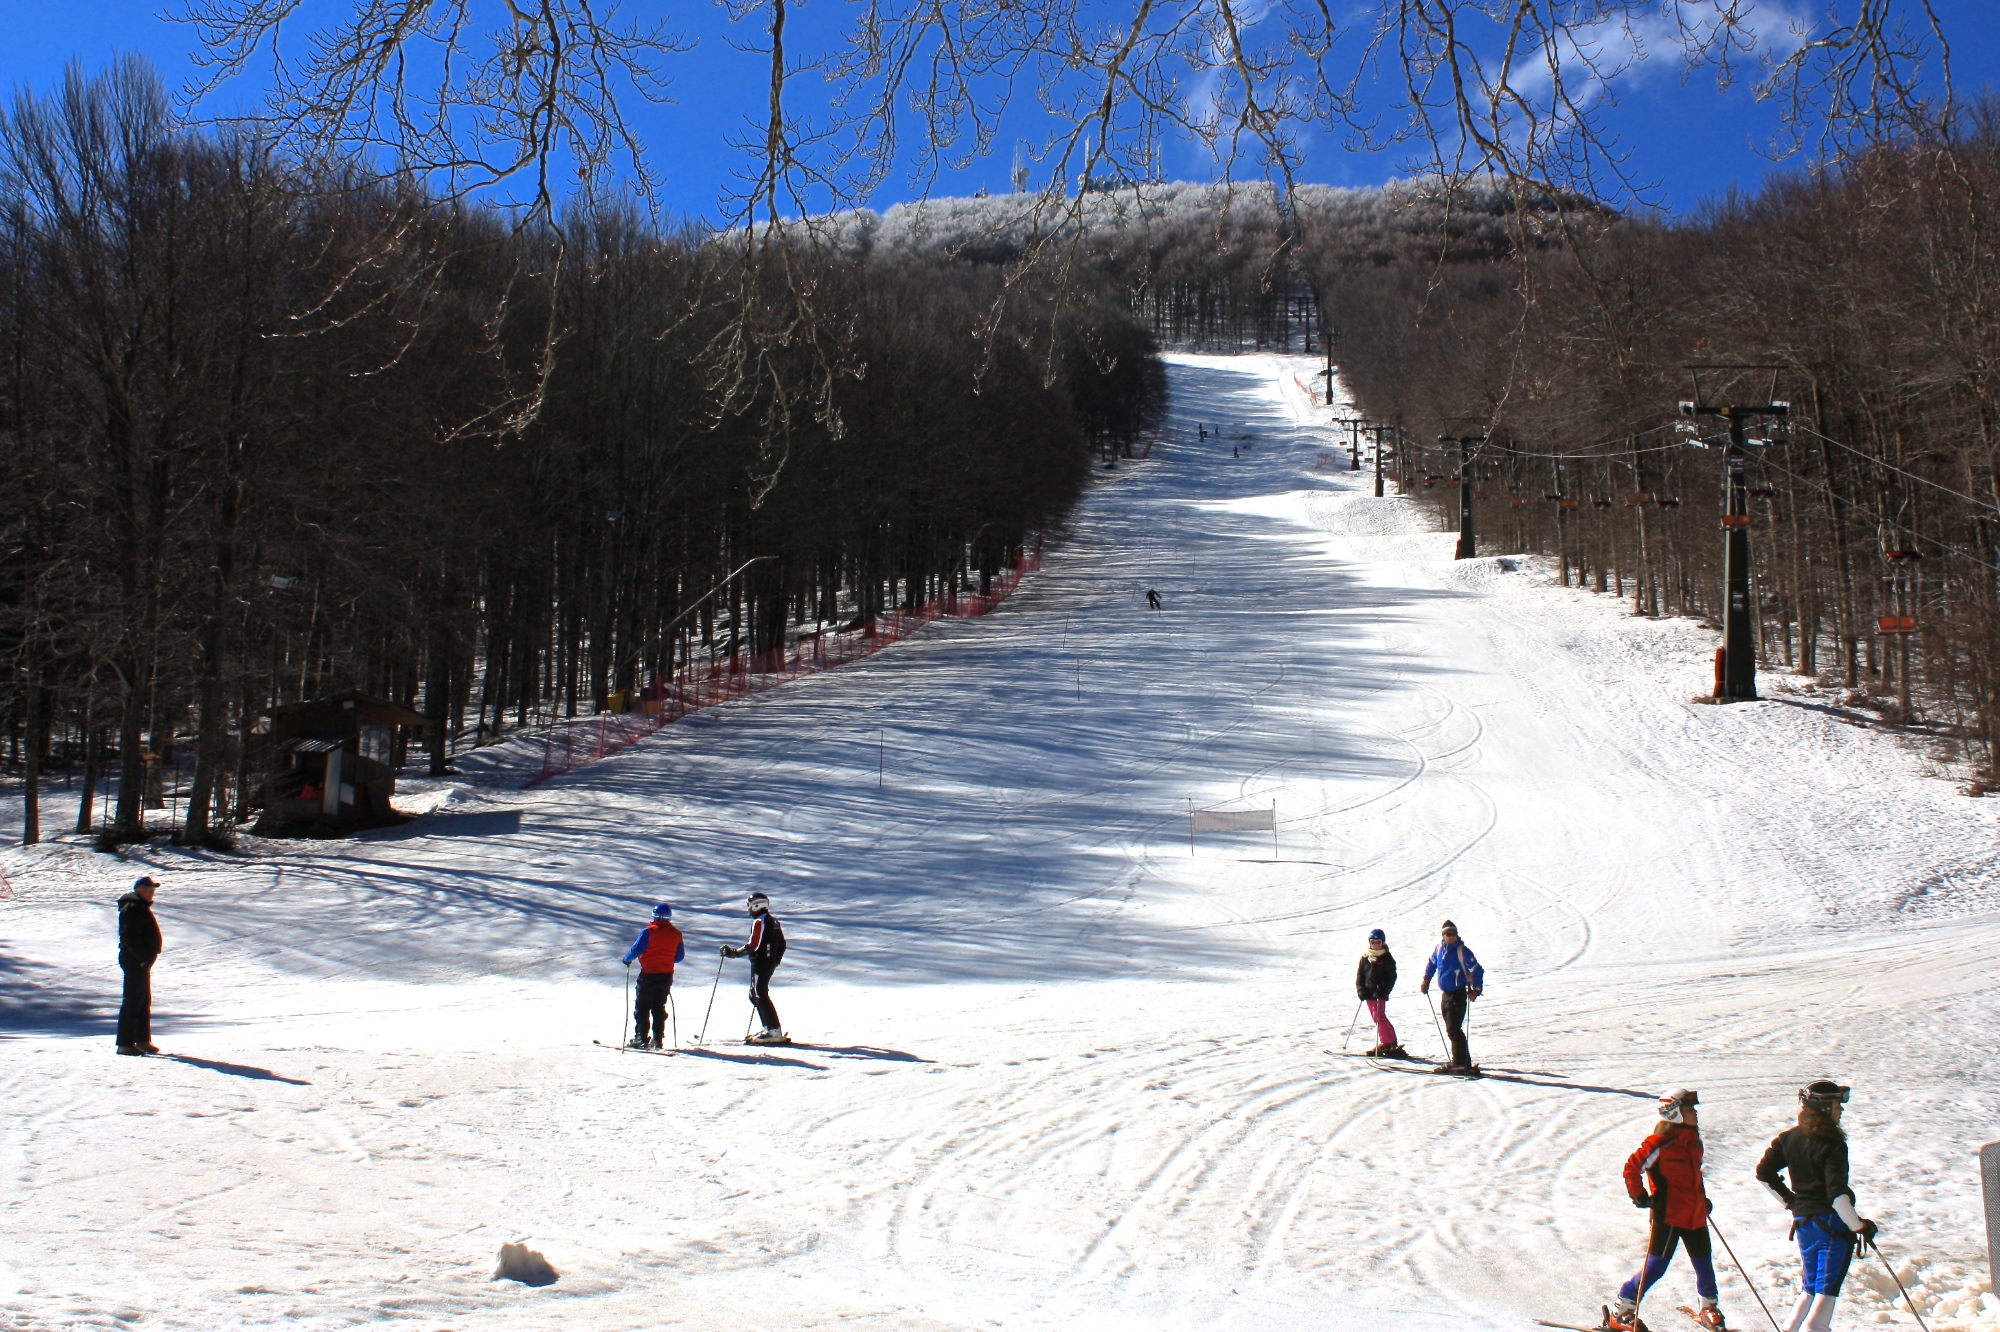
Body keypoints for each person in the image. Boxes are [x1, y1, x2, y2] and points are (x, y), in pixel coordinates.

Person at [1756, 1080, 1878, 1332]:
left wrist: (1790, 1201)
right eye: (1837, 1105)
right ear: (1824, 1108)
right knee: (1827, 1289)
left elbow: (1763, 1173)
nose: (1841, 1110)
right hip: (1832, 1227)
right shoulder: (1833, 1144)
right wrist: (1859, 1227)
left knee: (1810, 1287)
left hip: (1804, 1223)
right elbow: (1837, 1196)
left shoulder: (1788, 1138)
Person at [1603, 1089, 1725, 1331]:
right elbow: (1631, 1168)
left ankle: (1708, 1307)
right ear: (1675, 1113)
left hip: (1695, 1214)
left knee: (1704, 1264)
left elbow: (1693, 1177)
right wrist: (1641, 1197)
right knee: (1656, 1267)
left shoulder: (1693, 1141)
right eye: (1690, 1109)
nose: (1695, 1114)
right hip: (1668, 1215)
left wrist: (1703, 1199)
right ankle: (1622, 1309)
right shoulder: (1660, 1143)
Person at [721, 892, 788, 1044]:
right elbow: (782, 944)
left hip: (761, 962)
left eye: (749, 906)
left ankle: (773, 1031)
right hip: (767, 962)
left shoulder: (760, 921)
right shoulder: (773, 921)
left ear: (757, 905)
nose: (748, 909)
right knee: (756, 994)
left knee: (758, 994)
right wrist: (775, 960)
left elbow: (753, 945)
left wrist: (734, 953)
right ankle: (769, 1029)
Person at [1419, 919, 1483, 1072]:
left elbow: (1477, 969)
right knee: (1452, 1028)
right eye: (1448, 933)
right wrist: (1426, 980)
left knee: (1454, 1029)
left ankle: (1460, 1063)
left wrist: (1476, 989)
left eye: (1454, 933)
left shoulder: (1462, 951)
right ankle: (1462, 1062)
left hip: (1458, 994)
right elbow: (1432, 964)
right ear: (1443, 935)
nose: (1452, 936)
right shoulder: (1439, 949)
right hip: (1446, 994)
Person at [621, 902, 685, 1050]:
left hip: (648, 975)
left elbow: (636, 949)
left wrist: (626, 959)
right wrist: (667, 958)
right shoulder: (676, 934)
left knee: (643, 1006)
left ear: (654, 915)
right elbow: (679, 957)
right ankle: (657, 1039)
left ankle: (641, 1038)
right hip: (666, 975)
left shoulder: (648, 932)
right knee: (658, 1006)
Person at [116, 876, 162, 1056]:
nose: (152, 894)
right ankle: (125, 1044)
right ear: (140, 890)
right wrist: (142, 958)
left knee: (143, 1001)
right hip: (134, 960)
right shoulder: (133, 908)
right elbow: (130, 937)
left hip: (140, 960)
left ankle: (142, 1040)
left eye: (153, 890)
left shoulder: (139, 907)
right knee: (133, 1001)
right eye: (149, 890)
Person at [1355, 928, 1405, 1057]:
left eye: (1378, 942)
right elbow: (1360, 975)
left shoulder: (1386, 957)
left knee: (1379, 1016)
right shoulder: (1365, 957)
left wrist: (1384, 990)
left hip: (1379, 994)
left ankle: (1388, 1042)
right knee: (1376, 1017)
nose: (1376, 945)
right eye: (1373, 942)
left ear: (1382, 942)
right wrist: (1361, 989)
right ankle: (1389, 1042)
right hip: (1368, 993)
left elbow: (1392, 976)